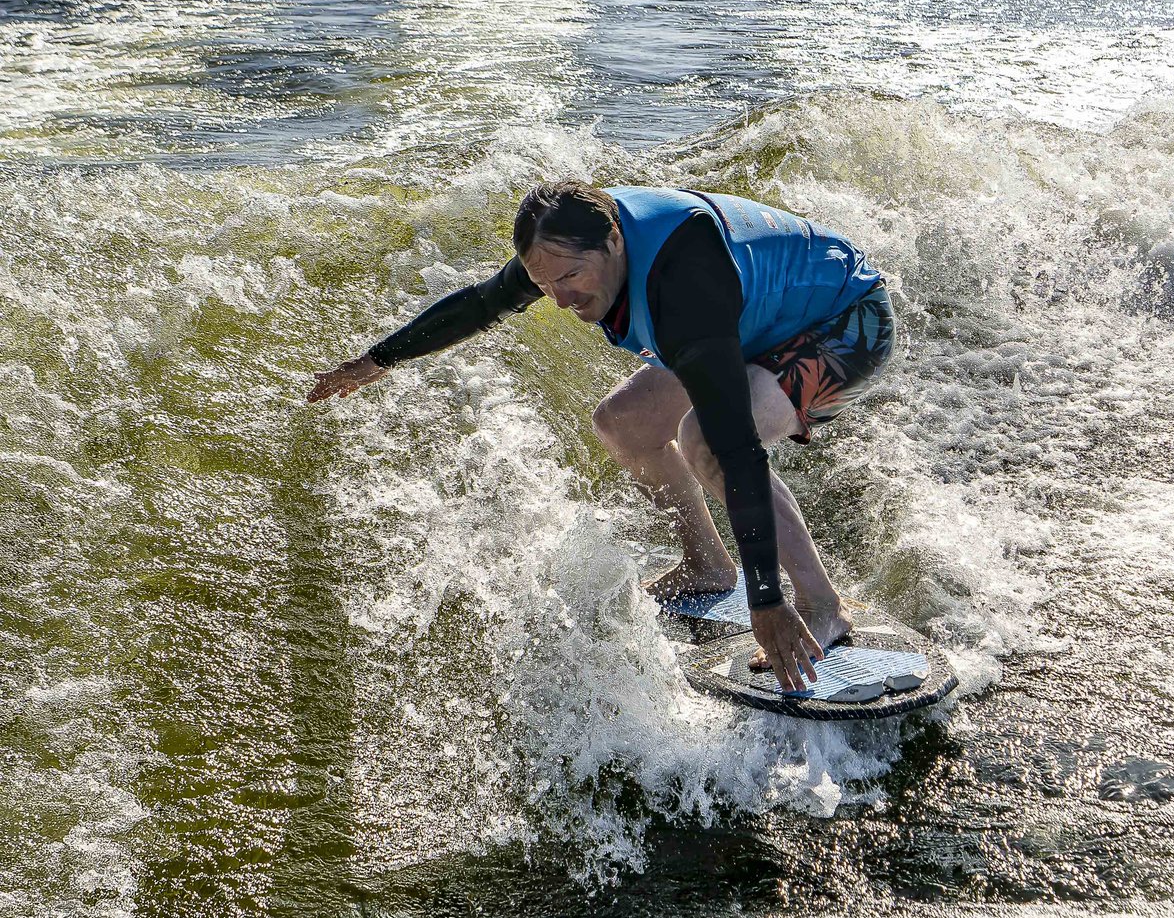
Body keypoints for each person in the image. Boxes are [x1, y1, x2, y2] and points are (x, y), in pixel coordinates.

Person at [308, 181, 894, 693]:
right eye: (544, 283)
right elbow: (482, 304)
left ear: (615, 241)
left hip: (843, 322)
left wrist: (767, 602)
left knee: (708, 442)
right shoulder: (562, 245)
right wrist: (379, 360)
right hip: (748, 321)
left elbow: (739, 450)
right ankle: (707, 564)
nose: (560, 298)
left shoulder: (682, 284)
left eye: (569, 278)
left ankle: (821, 606)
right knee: (623, 421)